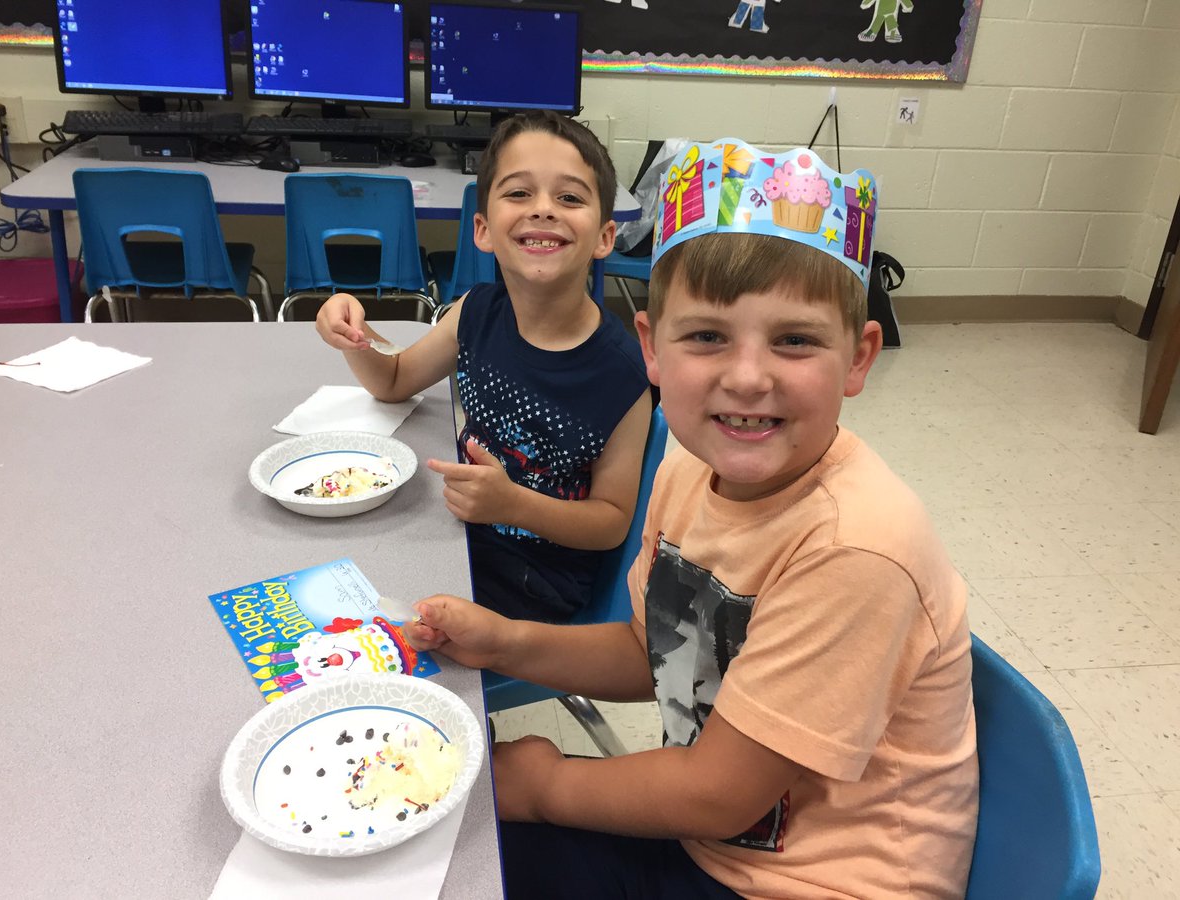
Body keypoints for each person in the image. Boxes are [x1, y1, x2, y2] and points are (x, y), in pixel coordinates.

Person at [405, 140, 979, 898]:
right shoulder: (684, 471)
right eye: (706, 336)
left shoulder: (856, 546)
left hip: (812, 881)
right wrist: (504, 642)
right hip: (710, 841)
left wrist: (545, 786)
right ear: (652, 347)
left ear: (858, 357)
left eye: (795, 340)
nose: (746, 378)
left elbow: (717, 794)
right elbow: (656, 653)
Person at [316, 110, 652, 623]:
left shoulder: (624, 376)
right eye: (518, 194)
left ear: (605, 236)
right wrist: (353, 338)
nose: (543, 210)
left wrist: (514, 505)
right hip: (456, 533)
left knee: (360, 626)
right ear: (483, 228)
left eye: (570, 197)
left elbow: (610, 522)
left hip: (534, 581)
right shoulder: (474, 312)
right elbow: (395, 380)